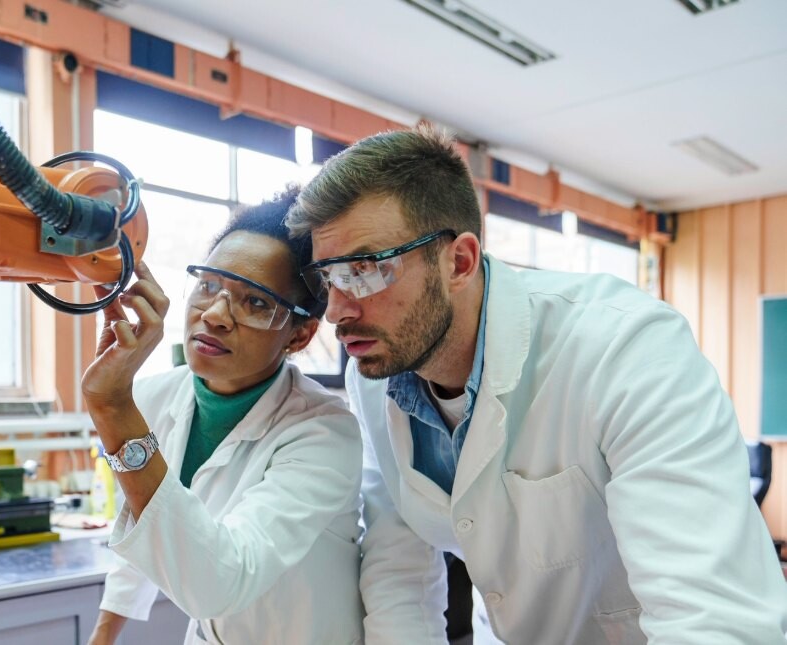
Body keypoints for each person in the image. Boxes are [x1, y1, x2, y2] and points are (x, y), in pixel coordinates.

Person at [284, 125, 787, 644]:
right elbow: (398, 575)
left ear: (459, 261)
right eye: (329, 278)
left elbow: (712, 620)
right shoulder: (374, 378)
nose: (337, 311)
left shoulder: (626, 348)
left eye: (364, 271)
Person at [82, 188, 364, 645]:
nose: (214, 315)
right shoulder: (151, 398)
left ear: (300, 335)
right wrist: (101, 638)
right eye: (209, 286)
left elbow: (223, 579)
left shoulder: (325, 432)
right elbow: (147, 536)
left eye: (256, 303)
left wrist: (112, 408)